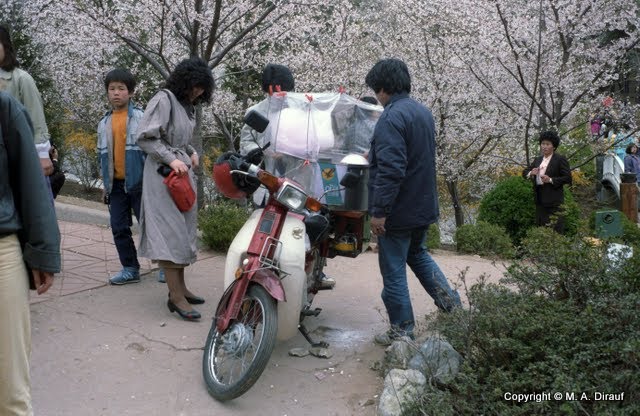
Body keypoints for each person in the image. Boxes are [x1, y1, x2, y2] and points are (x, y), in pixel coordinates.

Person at [365, 58, 461, 346]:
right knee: (418, 256)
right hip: (423, 205)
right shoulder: (422, 112)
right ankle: (452, 307)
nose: (377, 98)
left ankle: (402, 330)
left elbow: (391, 169)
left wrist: (379, 212)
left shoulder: (391, 118)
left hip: (398, 211)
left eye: (376, 90)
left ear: (383, 88)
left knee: (393, 270)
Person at [136, 57, 214, 321]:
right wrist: (172, 158)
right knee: (170, 231)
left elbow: (179, 138)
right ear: (184, 81)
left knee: (183, 229)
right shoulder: (164, 99)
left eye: (203, 88)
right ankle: (175, 296)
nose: (199, 92)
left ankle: (181, 288)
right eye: (195, 86)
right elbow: (146, 137)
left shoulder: (186, 105)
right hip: (162, 176)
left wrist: (190, 151)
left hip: (180, 173)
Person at [0, 91, 61, 415]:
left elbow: (30, 181)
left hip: (2, 248)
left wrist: (41, 250)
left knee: (9, 391)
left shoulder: (5, 107)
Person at [97, 68, 148, 285]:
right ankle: (130, 268)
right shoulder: (103, 122)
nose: (116, 93)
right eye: (112, 89)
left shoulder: (142, 118)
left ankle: (166, 266)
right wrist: (104, 185)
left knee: (150, 227)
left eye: (121, 88)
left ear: (131, 92)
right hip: (116, 185)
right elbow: (101, 156)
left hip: (141, 183)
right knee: (119, 227)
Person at [0, 25, 53, 178]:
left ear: (6, 46)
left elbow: (35, 116)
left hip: (12, 154)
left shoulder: (21, 79)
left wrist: (42, 154)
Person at [523, 130, 572, 233]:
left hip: (554, 202)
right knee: (541, 231)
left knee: (555, 231)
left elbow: (568, 178)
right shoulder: (538, 160)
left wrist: (550, 180)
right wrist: (531, 173)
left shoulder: (560, 159)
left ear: (553, 146)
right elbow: (524, 172)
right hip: (540, 201)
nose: (544, 146)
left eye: (547, 144)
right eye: (542, 144)